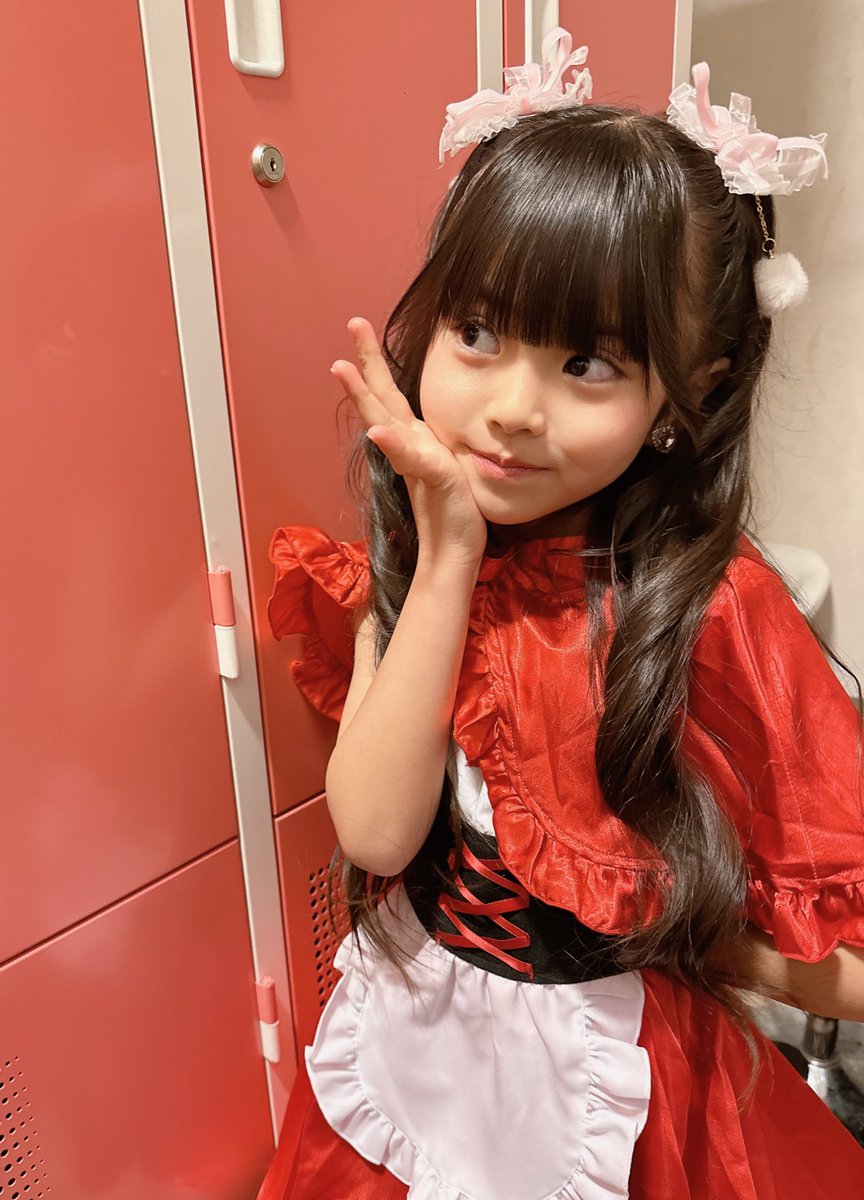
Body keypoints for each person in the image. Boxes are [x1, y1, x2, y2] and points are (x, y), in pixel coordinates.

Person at [257, 29, 864, 1200]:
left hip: (617, 1084)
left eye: (588, 364)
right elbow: (377, 835)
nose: (511, 409)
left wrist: (684, 934)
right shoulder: (414, 553)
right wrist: (446, 554)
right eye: (478, 334)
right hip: (409, 1045)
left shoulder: (713, 610)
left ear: (687, 396)